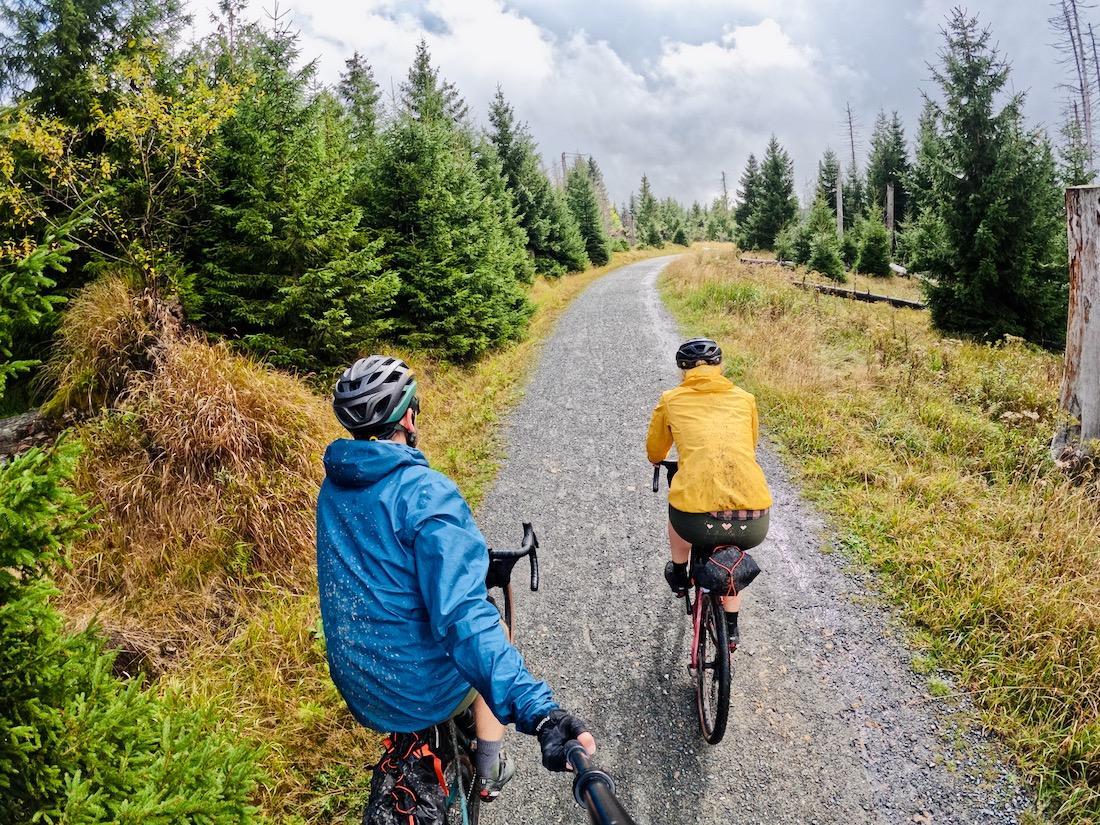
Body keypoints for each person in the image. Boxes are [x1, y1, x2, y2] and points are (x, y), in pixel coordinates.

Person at [317, 355, 595, 803]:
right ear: (408, 417)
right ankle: (489, 767)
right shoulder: (424, 493)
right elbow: (464, 619)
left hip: (358, 682)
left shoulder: (333, 488)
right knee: (493, 628)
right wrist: (541, 713)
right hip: (420, 689)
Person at [645, 338, 773, 650]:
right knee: (730, 561)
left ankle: (678, 572)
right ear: (720, 366)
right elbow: (749, 445)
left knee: (679, 510)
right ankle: (731, 629)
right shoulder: (745, 399)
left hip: (695, 521)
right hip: (754, 519)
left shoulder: (671, 399)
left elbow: (655, 451)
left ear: (683, 371)